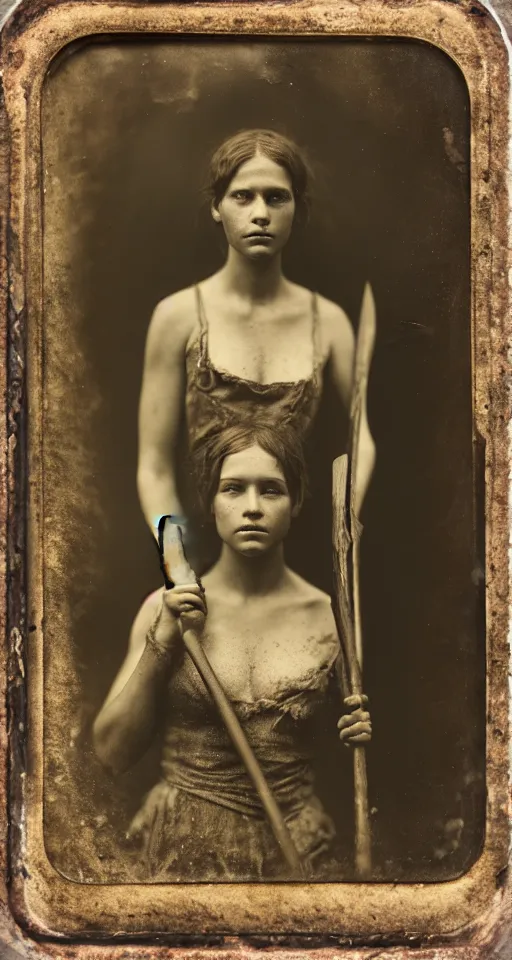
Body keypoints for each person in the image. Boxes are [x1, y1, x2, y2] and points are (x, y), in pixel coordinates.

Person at [94, 424, 371, 881]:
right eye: (233, 489)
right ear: (210, 504)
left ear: (296, 502)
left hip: (295, 853)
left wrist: (356, 730)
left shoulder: (333, 616)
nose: (252, 508)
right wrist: (161, 643)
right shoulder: (166, 611)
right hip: (182, 850)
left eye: (272, 490)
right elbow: (110, 753)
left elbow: (347, 757)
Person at [137, 128, 375, 550]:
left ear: (296, 207)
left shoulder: (330, 322)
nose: (260, 213)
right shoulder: (178, 317)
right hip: (198, 549)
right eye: (243, 196)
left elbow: (362, 438)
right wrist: (177, 562)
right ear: (216, 206)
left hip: (301, 546)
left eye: (276, 197)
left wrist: (346, 520)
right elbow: (153, 466)